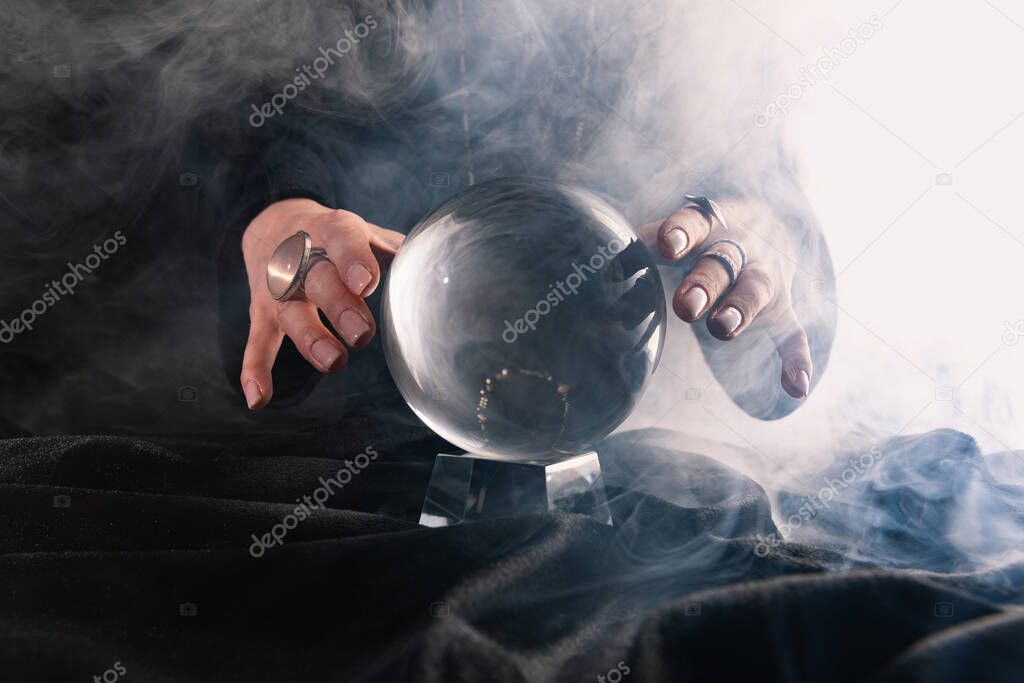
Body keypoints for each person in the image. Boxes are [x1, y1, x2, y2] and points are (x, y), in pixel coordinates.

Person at [222, 0, 835, 422]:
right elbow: (274, 153)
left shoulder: (702, 34)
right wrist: (276, 225)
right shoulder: (319, 28)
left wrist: (759, 248)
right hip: (370, 453)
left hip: (625, 451)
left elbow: (775, 387)